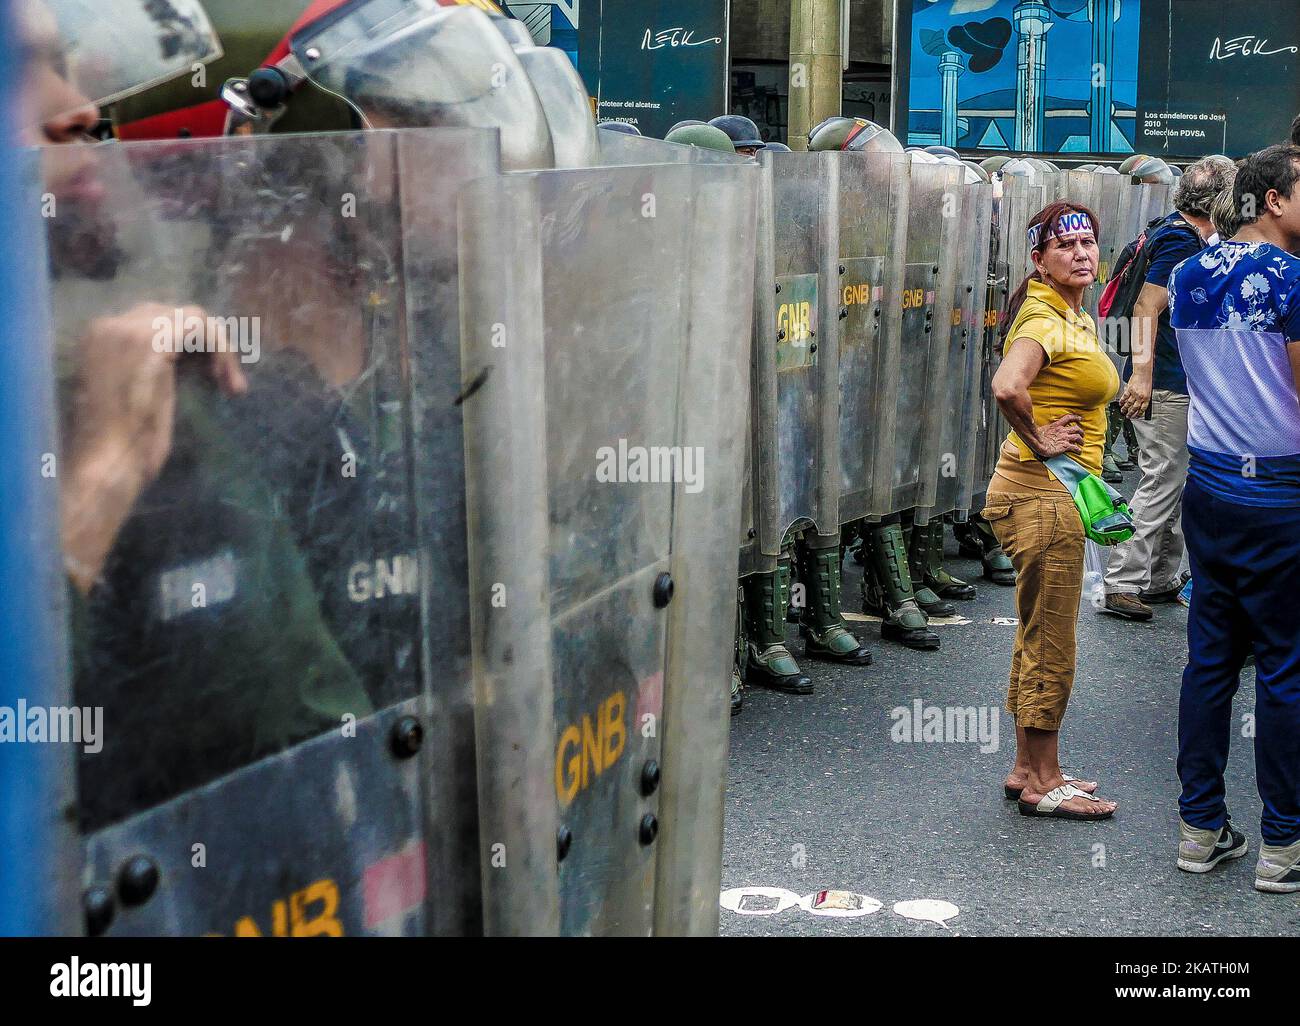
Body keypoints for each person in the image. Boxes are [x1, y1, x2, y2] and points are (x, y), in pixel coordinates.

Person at [1168, 144, 1300, 889]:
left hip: (1209, 486)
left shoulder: (1189, 271)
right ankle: (1283, 846)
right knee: (1286, 666)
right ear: (1273, 200)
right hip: (1280, 493)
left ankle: (1199, 828)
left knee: (1210, 660)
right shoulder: (1293, 281)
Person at [983, 200, 1119, 821]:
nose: (1082, 253)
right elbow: (1007, 386)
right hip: (1042, 495)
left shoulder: (1068, 311)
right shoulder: (1043, 317)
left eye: (1089, 242)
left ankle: (1024, 767)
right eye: (1066, 246)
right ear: (1038, 260)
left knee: (1037, 629)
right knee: (1052, 638)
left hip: (1049, 494)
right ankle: (1046, 779)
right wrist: (1039, 437)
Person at [1103, 157, 1235, 620]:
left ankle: (1158, 576)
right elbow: (1146, 307)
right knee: (1162, 477)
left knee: (1173, 477)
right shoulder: (1180, 239)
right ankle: (1122, 580)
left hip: (1169, 378)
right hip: (1164, 381)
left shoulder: (1168, 229)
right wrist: (1142, 376)